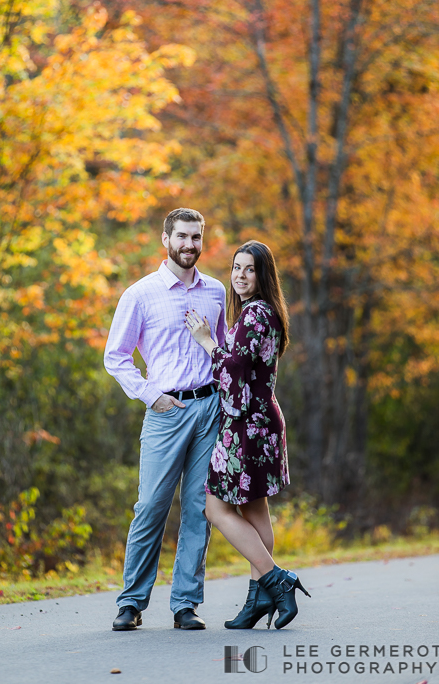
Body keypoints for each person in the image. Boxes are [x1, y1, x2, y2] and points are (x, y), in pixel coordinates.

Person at [104, 208, 227, 631]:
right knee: (151, 506)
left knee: (199, 509)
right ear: (165, 239)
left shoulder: (215, 292)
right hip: (165, 412)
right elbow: (115, 357)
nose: (190, 245)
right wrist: (151, 395)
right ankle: (132, 602)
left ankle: (186, 605)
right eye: (182, 237)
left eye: (196, 237)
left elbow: (223, 351)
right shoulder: (140, 294)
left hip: (209, 408)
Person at [184, 240, 311, 630]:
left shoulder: (255, 314)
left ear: (263, 274)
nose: (239, 275)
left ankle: (277, 580)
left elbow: (233, 370)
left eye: (249, 269)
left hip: (245, 427)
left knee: (215, 509)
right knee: (255, 512)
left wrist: (207, 341)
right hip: (263, 421)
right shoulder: (269, 312)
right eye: (236, 268)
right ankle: (257, 601)